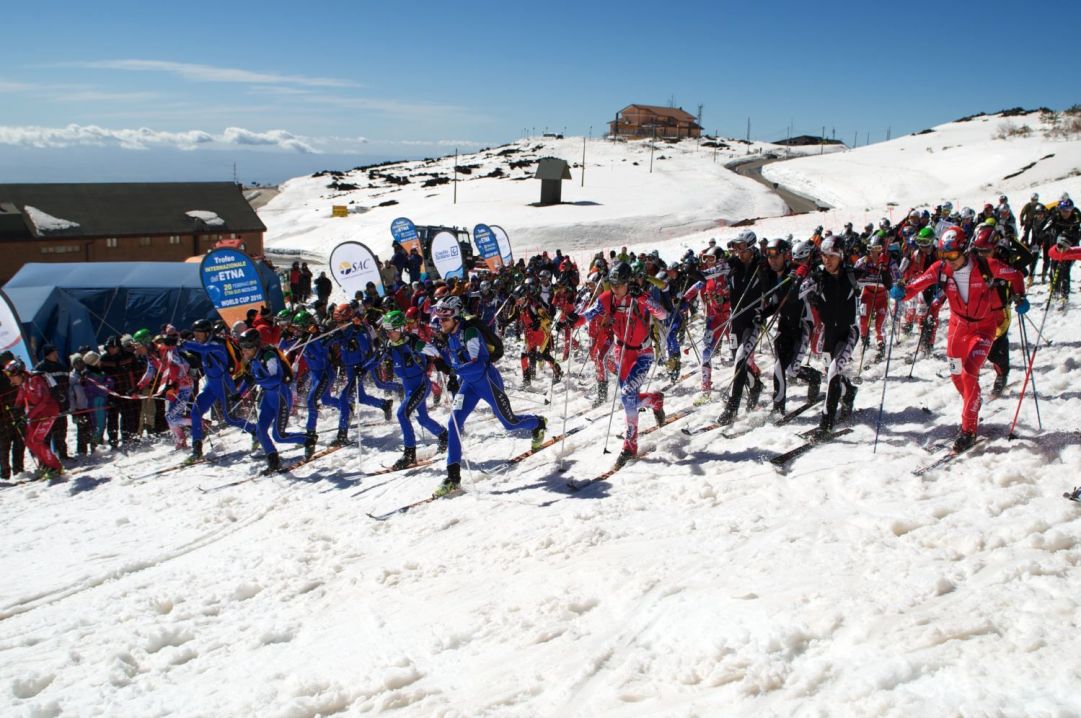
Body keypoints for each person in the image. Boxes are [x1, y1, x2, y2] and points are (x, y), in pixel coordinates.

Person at [894, 226, 1028, 451]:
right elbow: (916, 286)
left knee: (969, 371)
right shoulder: (941, 269)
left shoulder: (986, 266)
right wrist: (901, 291)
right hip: (957, 329)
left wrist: (1020, 296)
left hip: (983, 328)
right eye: (943, 255)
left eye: (953, 255)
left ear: (965, 250)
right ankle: (973, 401)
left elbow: (1015, 275)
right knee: (957, 376)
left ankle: (968, 429)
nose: (948, 260)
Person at [426, 295, 546, 497]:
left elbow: (476, 363)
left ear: (455, 316)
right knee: (454, 424)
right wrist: (444, 365)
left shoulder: (470, 332)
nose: (441, 323)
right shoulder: (451, 335)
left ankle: (537, 423)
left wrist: (452, 371)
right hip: (470, 385)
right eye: (439, 319)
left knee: (510, 423)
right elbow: (455, 361)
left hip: (487, 381)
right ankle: (453, 477)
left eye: (444, 319)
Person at [570, 262, 668, 465]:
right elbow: (590, 314)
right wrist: (573, 320)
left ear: (628, 282)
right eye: (612, 284)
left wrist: (642, 297)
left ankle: (630, 446)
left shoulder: (639, 297)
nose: (615, 288)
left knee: (626, 396)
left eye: (619, 285)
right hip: (621, 352)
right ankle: (654, 400)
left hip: (643, 353)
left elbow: (662, 314)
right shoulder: (607, 298)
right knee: (628, 399)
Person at [377, 310, 448, 469]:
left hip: (421, 386)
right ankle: (444, 435)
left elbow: (433, 351)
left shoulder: (412, 343)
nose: (388, 334)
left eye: (392, 330)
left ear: (402, 328)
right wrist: (362, 369)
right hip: (409, 388)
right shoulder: (390, 346)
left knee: (402, 414)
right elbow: (376, 359)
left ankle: (409, 453)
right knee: (422, 419)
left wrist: (441, 360)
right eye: (386, 330)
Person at [805, 237, 861, 438]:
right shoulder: (819, 277)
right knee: (832, 375)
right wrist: (807, 291)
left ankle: (826, 424)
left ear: (841, 256)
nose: (827, 261)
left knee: (833, 372)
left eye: (831, 257)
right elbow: (799, 289)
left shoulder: (852, 275)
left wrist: (888, 278)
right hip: (829, 333)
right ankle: (849, 392)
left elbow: (881, 280)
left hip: (849, 331)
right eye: (824, 256)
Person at [180, 319, 257, 462]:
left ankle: (255, 431)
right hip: (211, 385)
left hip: (224, 385)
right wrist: (180, 350)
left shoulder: (217, 343)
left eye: (199, 334)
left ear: (207, 333)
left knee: (230, 419)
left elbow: (202, 349)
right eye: (195, 333)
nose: (196, 336)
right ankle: (197, 450)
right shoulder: (203, 343)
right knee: (195, 412)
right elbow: (196, 355)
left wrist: (183, 344)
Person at [235, 328, 307, 473]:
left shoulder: (268, 355)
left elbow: (276, 378)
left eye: (246, 348)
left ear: (255, 345)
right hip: (268, 397)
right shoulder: (253, 359)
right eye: (242, 348)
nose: (244, 351)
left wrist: (256, 379)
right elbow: (250, 379)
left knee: (278, 435)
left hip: (280, 395)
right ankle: (273, 460)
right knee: (260, 430)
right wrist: (238, 394)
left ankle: (308, 439)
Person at [3, 358, 63, 480]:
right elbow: (21, 396)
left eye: (12, 376)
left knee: (36, 439)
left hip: (49, 411)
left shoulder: (35, 380)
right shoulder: (23, 383)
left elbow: (44, 401)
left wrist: (27, 416)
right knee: (29, 441)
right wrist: (16, 408)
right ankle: (46, 465)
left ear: (19, 373)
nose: (11, 379)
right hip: (37, 414)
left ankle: (56, 467)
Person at [33, 344, 69, 461]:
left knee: (62, 430)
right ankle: (47, 458)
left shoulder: (61, 367)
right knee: (47, 433)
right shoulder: (39, 368)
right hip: (47, 407)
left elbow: (67, 383)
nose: (56, 354)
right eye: (54, 352)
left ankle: (62, 454)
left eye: (56, 352)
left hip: (61, 404)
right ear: (48, 354)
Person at [0, 350, 26, 480]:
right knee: (4, 443)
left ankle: (18, 469)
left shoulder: (14, 371)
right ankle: (4, 472)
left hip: (17, 409)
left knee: (20, 440)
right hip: (3, 415)